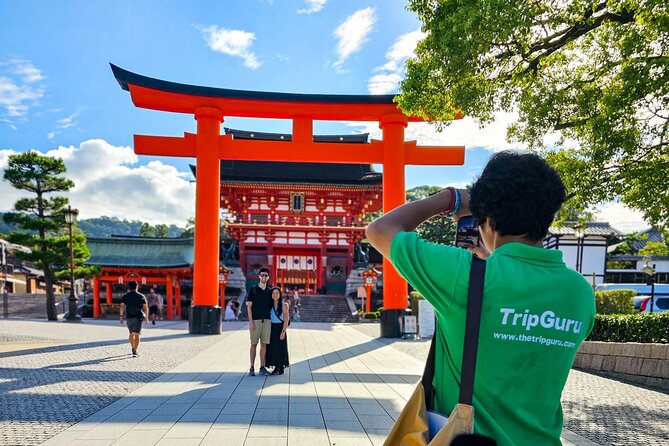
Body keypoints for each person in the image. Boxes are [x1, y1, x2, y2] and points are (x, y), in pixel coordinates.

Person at [366, 151, 595, 445]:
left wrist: (451, 200)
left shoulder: (463, 276)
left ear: (486, 218)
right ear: (547, 215)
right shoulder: (579, 292)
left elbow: (379, 230)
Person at [246, 267, 273, 376]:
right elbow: (249, 307)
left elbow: (275, 305)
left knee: (264, 345)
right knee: (253, 344)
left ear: (268, 277)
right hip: (255, 321)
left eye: (266, 275)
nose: (264, 277)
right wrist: (251, 321)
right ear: (259, 276)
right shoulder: (253, 289)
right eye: (262, 275)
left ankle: (262, 367)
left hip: (267, 321)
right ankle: (252, 367)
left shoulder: (270, 291)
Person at [119, 280, 148, 357]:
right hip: (138, 317)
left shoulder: (125, 296)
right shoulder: (141, 296)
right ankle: (135, 351)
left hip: (129, 318)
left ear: (129, 287)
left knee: (131, 334)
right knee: (137, 334)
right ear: (137, 287)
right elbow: (145, 307)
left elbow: (122, 306)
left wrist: (121, 316)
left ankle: (132, 347)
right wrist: (147, 317)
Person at [266, 287, 290, 375]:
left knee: (280, 348)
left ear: (280, 295)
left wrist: (283, 332)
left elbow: (286, 320)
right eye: (273, 293)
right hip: (271, 328)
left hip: (280, 328)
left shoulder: (284, 305)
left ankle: (281, 367)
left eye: (277, 293)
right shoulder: (269, 305)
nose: (275, 295)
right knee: (273, 348)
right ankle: (276, 367)